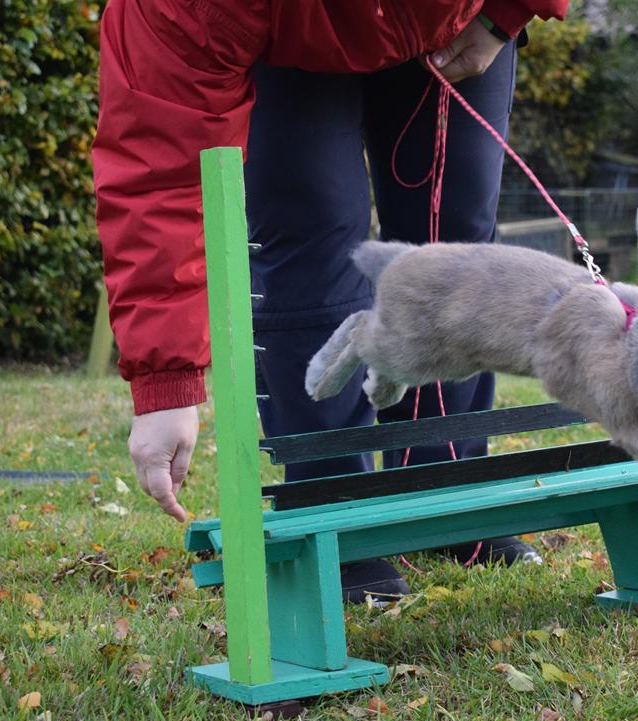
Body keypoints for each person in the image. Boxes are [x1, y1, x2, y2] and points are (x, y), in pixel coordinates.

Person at [92, 0, 567, 602]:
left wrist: (504, 15)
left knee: (455, 242)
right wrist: (166, 381)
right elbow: (159, 166)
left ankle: (447, 488)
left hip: (454, 22)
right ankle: (333, 513)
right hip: (288, 41)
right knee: (311, 244)